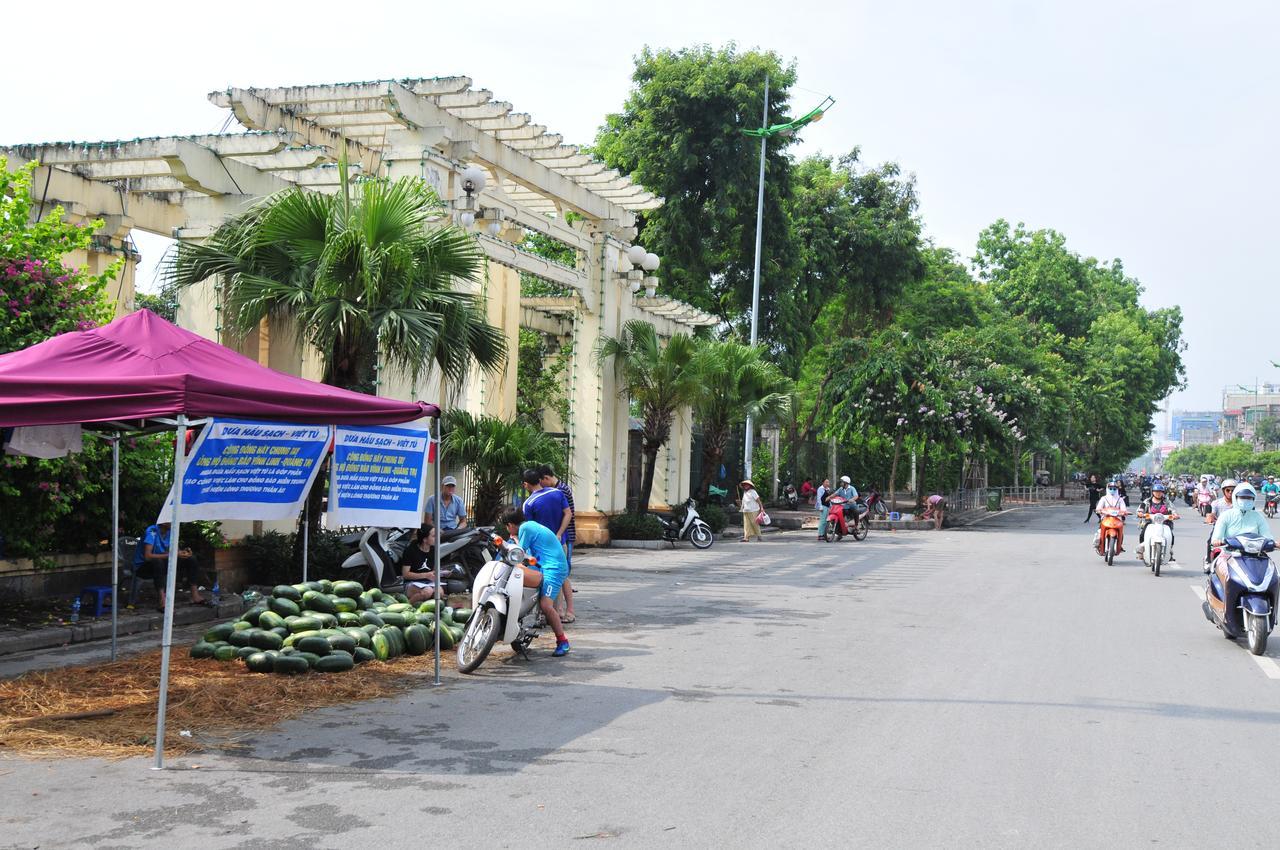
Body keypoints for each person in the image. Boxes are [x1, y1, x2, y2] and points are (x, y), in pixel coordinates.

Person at [502, 509, 570, 656]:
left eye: (507, 527)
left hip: (554, 568)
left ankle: (562, 641)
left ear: (510, 525)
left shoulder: (525, 528)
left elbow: (520, 552)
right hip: (545, 565)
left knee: (546, 605)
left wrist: (513, 541)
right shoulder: (529, 525)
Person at [135, 520, 211, 611]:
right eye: (172, 521)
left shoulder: (170, 532)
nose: (175, 523)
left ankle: (195, 596)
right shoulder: (152, 531)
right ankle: (162, 601)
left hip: (161, 563)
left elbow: (174, 551)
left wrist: (183, 553)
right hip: (143, 567)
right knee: (157, 562)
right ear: (163, 522)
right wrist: (173, 554)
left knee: (191, 559)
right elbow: (148, 556)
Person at [536, 464, 576, 624]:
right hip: (559, 538)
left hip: (564, 538)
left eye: (542, 482)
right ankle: (556, 611)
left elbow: (569, 514)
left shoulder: (561, 491)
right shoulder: (555, 490)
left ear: (546, 478)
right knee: (558, 574)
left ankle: (567, 611)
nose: (541, 486)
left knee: (563, 575)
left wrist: (559, 534)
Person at [1210, 483, 1275, 553]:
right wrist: (1216, 541)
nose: (1246, 500)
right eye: (1242, 497)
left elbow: (1267, 536)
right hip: (1229, 556)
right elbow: (1216, 537)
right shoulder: (1225, 516)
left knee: (1270, 563)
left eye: (1249, 498)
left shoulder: (1258, 517)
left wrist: (1274, 543)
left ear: (1254, 499)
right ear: (1235, 498)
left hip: (1255, 556)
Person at [1137, 481, 1177, 562]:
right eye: (1156, 492)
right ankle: (1142, 550)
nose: (1158, 493)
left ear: (1163, 493)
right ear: (1153, 492)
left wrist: (1175, 514)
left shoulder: (1167, 502)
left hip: (1165, 523)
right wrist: (1140, 513)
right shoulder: (1147, 501)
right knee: (1142, 534)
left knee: (1171, 536)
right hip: (1150, 522)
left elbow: (1173, 510)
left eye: (1160, 492)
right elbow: (1141, 508)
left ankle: (1169, 550)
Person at [400, 524, 439, 605]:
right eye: (434, 536)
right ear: (425, 539)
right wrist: (425, 575)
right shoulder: (410, 551)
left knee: (440, 592)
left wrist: (441, 573)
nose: (437, 538)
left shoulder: (434, 550)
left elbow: (433, 570)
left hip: (427, 582)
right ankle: (407, 606)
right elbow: (405, 574)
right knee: (428, 591)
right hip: (411, 583)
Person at [1204, 478, 1236, 571]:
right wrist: (1209, 518)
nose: (1230, 492)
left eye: (1233, 490)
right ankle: (1209, 561)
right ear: (1223, 491)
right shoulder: (1216, 503)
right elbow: (1211, 515)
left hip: (1236, 529)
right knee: (1210, 541)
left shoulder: (1239, 503)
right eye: (1228, 490)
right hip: (1219, 529)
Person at [1094, 480, 1129, 554]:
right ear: (1107, 489)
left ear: (1117, 489)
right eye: (1110, 488)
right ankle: (1098, 544)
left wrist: (1124, 512)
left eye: (1114, 488)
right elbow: (1099, 507)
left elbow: (1123, 509)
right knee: (1099, 532)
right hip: (1106, 518)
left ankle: (1120, 545)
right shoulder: (1104, 498)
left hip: (1117, 519)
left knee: (1121, 533)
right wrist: (1099, 510)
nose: (1112, 490)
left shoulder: (1120, 499)